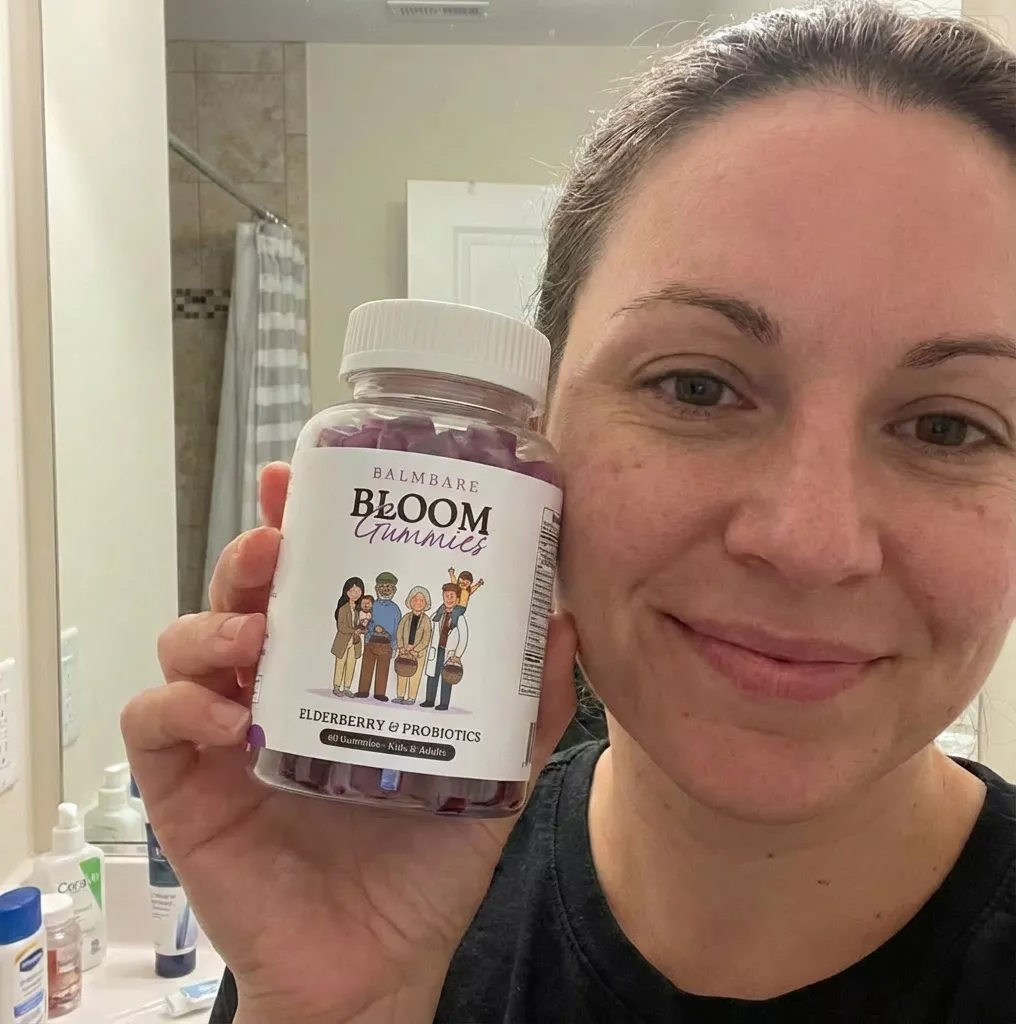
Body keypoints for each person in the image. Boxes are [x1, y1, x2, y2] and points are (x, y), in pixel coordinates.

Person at [121, 4, 1016, 1022]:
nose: (808, 539)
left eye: (947, 428)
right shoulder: (386, 897)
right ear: (538, 431)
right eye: (695, 387)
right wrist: (338, 1002)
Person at [355, 571, 402, 702]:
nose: (386, 590)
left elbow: (397, 629)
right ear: (377, 588)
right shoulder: (372, 605)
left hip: (387, 645)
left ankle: (380, 693)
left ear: (394, 590)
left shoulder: (395, 609)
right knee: (367, 666)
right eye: (383, 587)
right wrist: (372, 629)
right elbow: (364, 621)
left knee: (383, 668)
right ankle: (363, 690)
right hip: (371, 641)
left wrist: (394, 646)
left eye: (389, 587)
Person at [421, 584, 469, 711]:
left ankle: (444, 703)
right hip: (436, 650)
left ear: (458, 599)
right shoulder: (437, 615)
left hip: (450, 652)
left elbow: (463, 637)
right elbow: (429, 629)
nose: (449, 599)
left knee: (447, 676)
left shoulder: (459, 617)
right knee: (432, 675)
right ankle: (429, 700)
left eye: (452, 596)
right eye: (446, 596)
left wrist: (457, 655)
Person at [394, 586, 434, 704]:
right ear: (409, 601)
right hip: (404, 651)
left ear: (426, 603)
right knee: (401, 672)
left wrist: (416, 649)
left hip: (418, 654)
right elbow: (399, 631)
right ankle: (400, 695)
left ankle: (411, 697)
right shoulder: (406, 617)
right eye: (415, 600)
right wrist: (401, 646)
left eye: (421, 601)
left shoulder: (426, 620)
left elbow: (426, 637)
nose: (418, 603)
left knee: (415, 675)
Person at [330, 577, 364, 697]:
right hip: (343, 640)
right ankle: (337, 686)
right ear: (347, 592)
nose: (355, 594)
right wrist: (354, 631)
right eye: (352, 591)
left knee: (351, 665)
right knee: (340, 664)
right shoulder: (343, 608)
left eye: (358, 591)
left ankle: (347, 687)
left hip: (355, 642)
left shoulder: (361, 609)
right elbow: (341, 626)